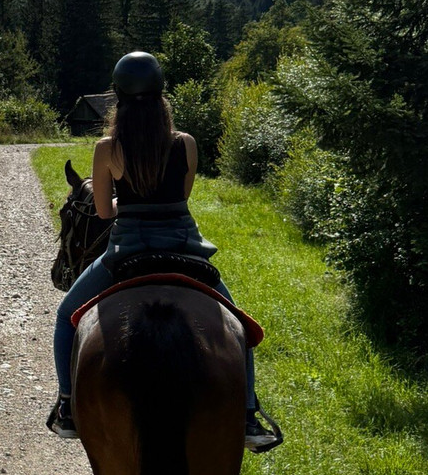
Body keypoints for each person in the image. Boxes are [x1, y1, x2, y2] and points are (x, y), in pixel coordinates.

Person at [47, 51, 280, 451]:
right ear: (161, 95)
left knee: (67, 315)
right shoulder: (185, 143)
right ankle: (247, 415)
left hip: (128, 249)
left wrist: (130, 203)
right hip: (184, 246)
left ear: (117, 97)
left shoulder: (107, 148)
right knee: (237, 327)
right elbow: (181, 196)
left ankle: (68, 406)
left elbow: (104, 211)